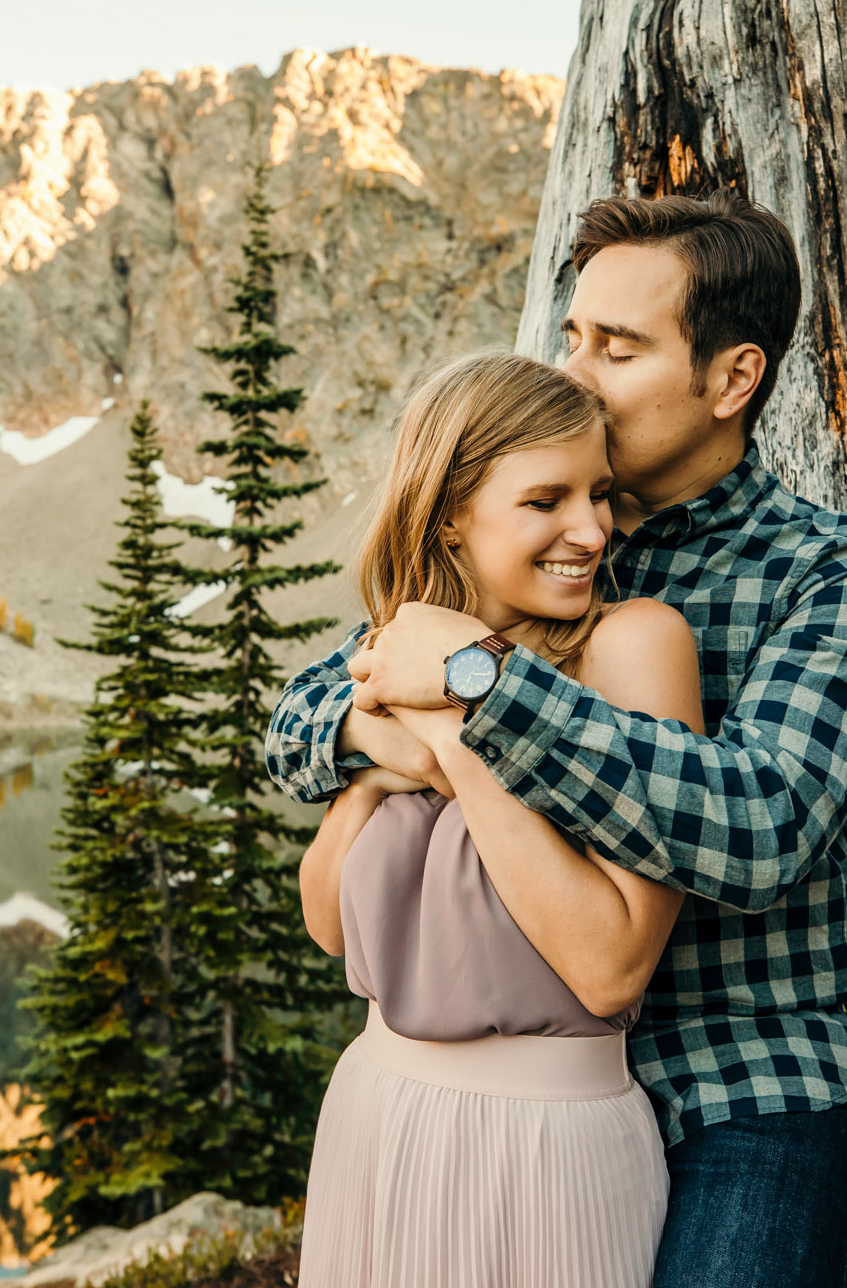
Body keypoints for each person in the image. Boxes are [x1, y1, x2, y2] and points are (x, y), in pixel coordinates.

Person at [267, 191, 847, 1288]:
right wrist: (381, 722)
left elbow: (758, 825)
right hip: (512, 1069)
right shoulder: (545, 527)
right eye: (571, 335)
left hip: (743, 1074)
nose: (573, 372)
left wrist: (476, 686)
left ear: (730, 379)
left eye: (614, 347)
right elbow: (301, 721)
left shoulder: (825, 572)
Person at [294, 349, 696, 1287]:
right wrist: (371, 761)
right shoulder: (394, 645)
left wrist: (458, 732)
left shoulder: (633, 646)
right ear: (450, 519)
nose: (592, 530)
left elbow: (610, 968)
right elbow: (327, 925)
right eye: (545, 499)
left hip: (550, 1145)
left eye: (600, 494)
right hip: (377, 1116)